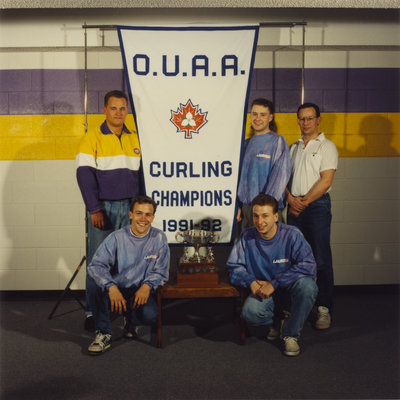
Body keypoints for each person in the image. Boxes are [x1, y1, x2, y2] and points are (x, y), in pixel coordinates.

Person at [76, 90, 141, 331]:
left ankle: (124, 310)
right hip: (104, 207)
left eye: (123, 108)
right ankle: (93, 311)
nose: (118, 113)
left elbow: (141, 175)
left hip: (130, 208)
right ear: (104, 110)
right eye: (113, 108)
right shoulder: (91, 137)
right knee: (98, 261)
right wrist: (94, 208)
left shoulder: (134, 137)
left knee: (128, 261)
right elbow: (84, 176)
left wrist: (140, 210)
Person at [227, 193, 318, 357]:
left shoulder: (292, 234)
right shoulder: (246, 236)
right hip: (264, 293)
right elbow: (234, 267)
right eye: (256, 216)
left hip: (288, 290)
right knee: (249, 313)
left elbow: (309, 265)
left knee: (308, 287)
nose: (260, 222)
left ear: (276, 216)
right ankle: (278, 321)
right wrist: (250, 281)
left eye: (265, 216)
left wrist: (275, 282)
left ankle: (291, 334)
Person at [87, 195, 169, 355]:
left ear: (153, 217)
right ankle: (103, 333)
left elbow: (161, 271)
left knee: (151, 316)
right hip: (116, 289)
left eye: (148, 214)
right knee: (92, 282)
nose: (143, 219)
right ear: (130, 214)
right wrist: (111, 287)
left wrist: (147, 286)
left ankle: (131, 320)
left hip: (139, 290)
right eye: (139, 213)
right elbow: (96, 265)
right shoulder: (116, 237)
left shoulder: (159, 237)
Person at [286, 102, 338, 330]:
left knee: (321, 258)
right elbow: (283, 179)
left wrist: (303, 202)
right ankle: (297, 305)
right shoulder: (293, 148)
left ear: (318, 120)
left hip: (316, 207)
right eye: (301, 118)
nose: (305, 122)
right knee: (295, 259)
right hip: (294, 207)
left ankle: (324, 308)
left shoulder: (327, 147)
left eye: (309, 118)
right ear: (297, 121)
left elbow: (326, 180)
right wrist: (290, 199)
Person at [237, 98, 291, 231]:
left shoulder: (277, 142)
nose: (257, 118)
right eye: (254, 114)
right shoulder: (245, 144)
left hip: (267, 210)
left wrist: (264, 209)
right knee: (248, 249)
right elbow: (239, 180)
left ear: (270, 117)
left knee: (270, 250)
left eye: (263, 114)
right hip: (247, 209)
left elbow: (280, 177)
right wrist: (237, 207)